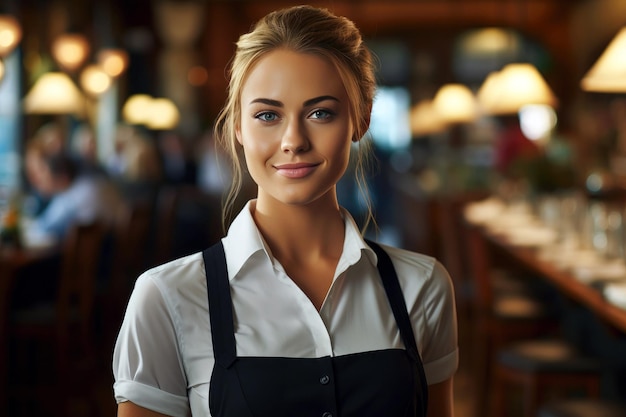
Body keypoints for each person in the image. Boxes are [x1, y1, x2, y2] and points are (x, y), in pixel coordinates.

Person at [113, 5, 458, 417]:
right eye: (267, 115)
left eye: (320, 113)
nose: (293, 140)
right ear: (238, 127)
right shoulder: (166, 298)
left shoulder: (423, 287)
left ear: (360, 119)